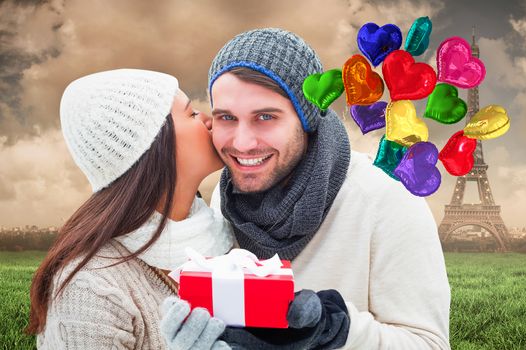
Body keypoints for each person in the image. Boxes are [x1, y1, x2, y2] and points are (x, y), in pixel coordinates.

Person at [163, 28, 452, 349]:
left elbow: (429, 344)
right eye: (227, 117)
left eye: (265, 117)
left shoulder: (386, 197)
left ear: (307, 118)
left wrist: (337, 331)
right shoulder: (225, 196)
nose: (242, 144)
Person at [26, 69, 234, 349]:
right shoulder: (91, 290)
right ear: (154, 146)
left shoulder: (226, 239)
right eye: (191, 114)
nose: (209, 120)